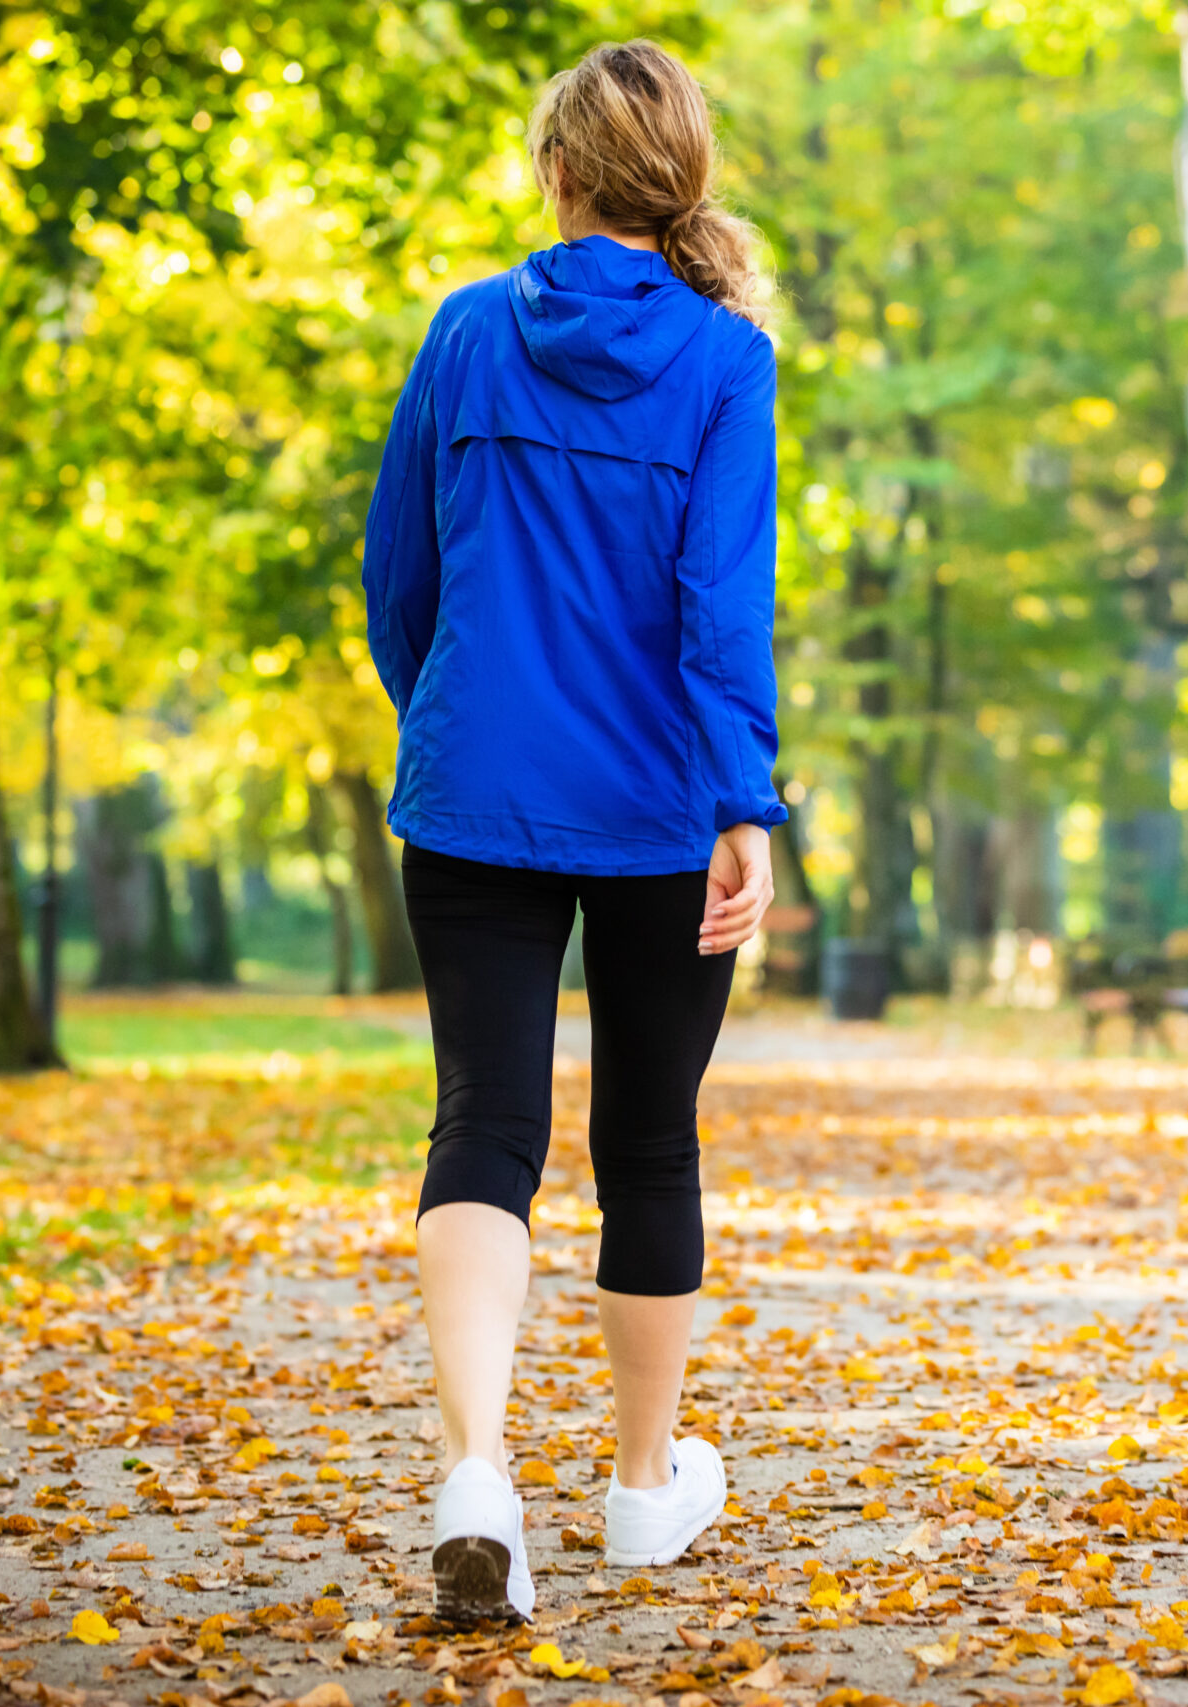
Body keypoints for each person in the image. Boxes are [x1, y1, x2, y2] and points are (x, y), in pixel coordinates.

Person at [359, 39, 783, 1625]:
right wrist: (747, 802)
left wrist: (455, 714)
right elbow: (720, 609)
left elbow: (399, 572)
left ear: (558, 171)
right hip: (665, 803)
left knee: (481, 1125)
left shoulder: (469, 333)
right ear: (684, 178)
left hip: (476, 794)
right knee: (648, 1140)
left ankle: (479, 1473)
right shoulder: (724, 360)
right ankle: (637, 1489)